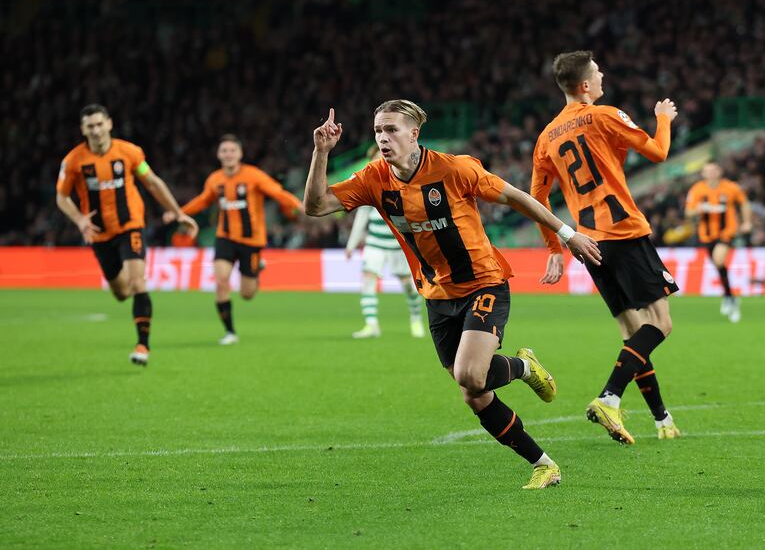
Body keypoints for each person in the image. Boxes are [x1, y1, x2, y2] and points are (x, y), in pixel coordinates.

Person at [305, 101, 602, 489]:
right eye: (378, 129)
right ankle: (544, 464)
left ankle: (525, 368)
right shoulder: (374, 179)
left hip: (484, 283)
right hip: (436, 294)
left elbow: (517, 198)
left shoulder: (454, 168)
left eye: (392, 129)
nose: (383, 137)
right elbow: (315, 206)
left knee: (469, 374)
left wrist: (567, 236)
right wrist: (321, 152)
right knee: (473, 393)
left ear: (414, 134)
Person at [530, 50, 681, 444]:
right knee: (660, 324)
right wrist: (663, 118)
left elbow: (536, 197)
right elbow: (658, 152)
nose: (602, 77)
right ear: (584, 86)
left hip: (588, 244)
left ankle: (662, 419)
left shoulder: (546, 137)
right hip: (625, 234)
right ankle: (609, 397)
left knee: (633, 334)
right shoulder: (603, 114)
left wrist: (554, 247)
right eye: (597, 73)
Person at [56, 104, 198, 365]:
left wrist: (178, 213)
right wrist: (79, 220)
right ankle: (137, 309)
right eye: (90, 126)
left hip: (131, 225)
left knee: (137, 283)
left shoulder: (129, 152)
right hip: (100, 234)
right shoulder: (74, 161)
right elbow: (62, 196)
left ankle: (142, 346)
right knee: (121, 293)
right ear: (83, 130)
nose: (96, 131)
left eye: (100, 124)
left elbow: (152, 182)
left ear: (109, 124)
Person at [167, 134, 302, 345]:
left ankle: (256, 270)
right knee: (221, 282)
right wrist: (179, 213)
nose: (228, 154)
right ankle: (230, 332)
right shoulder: (215, 179)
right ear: (219, 155)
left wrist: (298, 205)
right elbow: (203, 201)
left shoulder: (254, 176)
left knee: (247, 294)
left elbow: (277, 192)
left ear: (240, 154)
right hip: (225, 238)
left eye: (232, 150)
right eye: (224, 151)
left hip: (252, 241)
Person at [345, 147, 425, 339]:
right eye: (374, 157)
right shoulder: (368, 183)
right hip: (374, 242)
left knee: (408, 285)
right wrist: (351, 243)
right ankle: (371, 324)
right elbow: (361, 216)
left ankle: (416, 319)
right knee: (368, 280)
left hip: (399, 244)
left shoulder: (402, 178)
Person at [685, 162, 752, 322]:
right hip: (706, 234)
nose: (711, 173)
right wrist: (701, 209)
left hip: (727, 231)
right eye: (707, 170)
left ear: (720, 171)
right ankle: (730, 297)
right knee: (718, 264)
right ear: (703, 173)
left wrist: (746, 222)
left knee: (718, 259)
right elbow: (689, 212)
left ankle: (729, 297)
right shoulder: (697, 189)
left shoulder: (731, 187)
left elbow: (744, 203)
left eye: (714, 170)